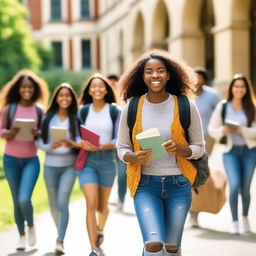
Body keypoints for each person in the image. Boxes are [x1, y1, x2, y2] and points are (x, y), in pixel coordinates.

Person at [116, 49, 205, 256]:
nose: (155, 75)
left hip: (179, 185)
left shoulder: (185, 105)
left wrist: (180, 149)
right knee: (153, 243)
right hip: (146, 185)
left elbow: (199, 147)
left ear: (169, 74)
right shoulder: (132, 107)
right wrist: (133, 156)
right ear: (142, 76)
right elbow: (121, 147)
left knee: (172, 248)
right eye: (149, 71)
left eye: (160, 71)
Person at [0, 69, 49, 251]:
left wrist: (38, 133)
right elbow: (0, 130)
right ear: (18, 89)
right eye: (23, 87)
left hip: (31, 160)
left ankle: (30, 225)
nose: (26, 90)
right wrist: (8, 132)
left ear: (34, 89)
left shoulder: (39, 110)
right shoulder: (9, 109)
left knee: (23, 199)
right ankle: (21, 235)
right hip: (11, 160)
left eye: (30, 87)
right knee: (15, 200)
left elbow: (45, 135)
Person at [77, 74, 121, 256]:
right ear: (88, 90)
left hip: (107, 160)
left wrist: (103, 145)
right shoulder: (82, 111)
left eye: (101, 86)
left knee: (103, 207)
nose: (97, 89)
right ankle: (94, 248)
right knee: (91, 204)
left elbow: (119, 139)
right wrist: (80, 142)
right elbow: (75, 134)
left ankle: (100, 229)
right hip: (87, 160)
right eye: (93, 86)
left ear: (106, 89)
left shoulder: (114, 110)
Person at [208, 74, 256, 234]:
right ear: (231, 88)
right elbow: (211, 129)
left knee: (245, 188)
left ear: (246, 89)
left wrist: (242, 130)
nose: (239, 90)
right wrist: (224, 130)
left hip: (250, 152)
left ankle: (245, 217)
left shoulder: (252, 106)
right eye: (236, 86)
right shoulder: (223, 106)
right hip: (230, 152)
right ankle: (234, 221)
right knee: (234, 185)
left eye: (242, 87)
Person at [37, 83, 80, 254]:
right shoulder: (48, 117)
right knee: (53, 204)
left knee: (63, 201)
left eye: (68, 96)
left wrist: (72, 144)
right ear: (56, 98)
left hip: (70, 165)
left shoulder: (75, 117)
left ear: (72, 99)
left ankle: (60, 239)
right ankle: (59, 231)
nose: (64, 99)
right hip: (50, 166)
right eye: (61, 95)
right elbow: (39, 141)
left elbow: (78, 138)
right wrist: (50, 147)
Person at [188, 67, 220, 227]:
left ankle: (195, 212)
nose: (197, 81)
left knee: (198, 171)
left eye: (200, 78)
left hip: (206, 139)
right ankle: (191, 209)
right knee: (188, 173)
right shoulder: (185, 93)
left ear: (205, 80)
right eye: (195, 78)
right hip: (187, 141)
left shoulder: (212, 95)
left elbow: (221, 113)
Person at [107, 74, 127, 211]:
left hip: (124, 145)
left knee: (122, 174)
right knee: (110, 174)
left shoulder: (125, 99)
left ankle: (121, 200)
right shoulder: (107, 104)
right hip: (109, 145)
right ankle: (109, 198)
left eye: (115, 83)